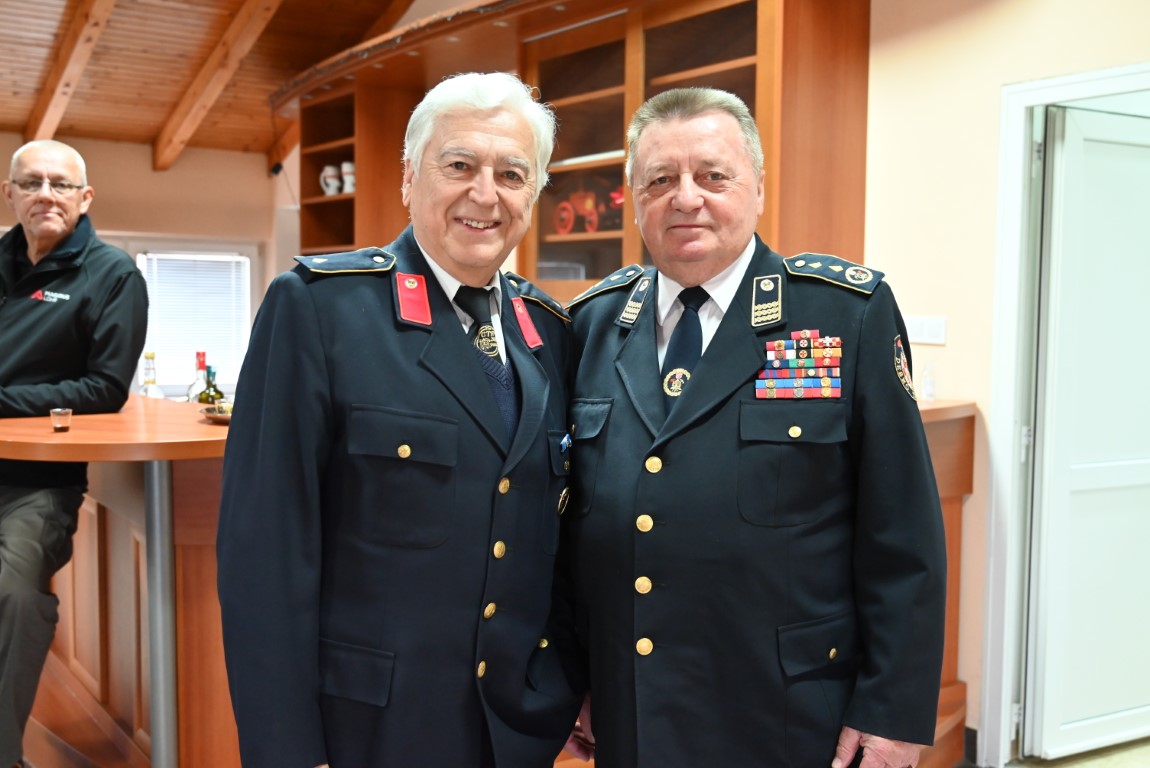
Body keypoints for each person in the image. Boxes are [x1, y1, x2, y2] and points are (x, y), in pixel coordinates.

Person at [563, 87, 947, 768]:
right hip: (635, 706)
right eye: (660, 180)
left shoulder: (844, 316)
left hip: (791, 713)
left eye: (713, 175)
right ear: (635, 199)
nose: (686, 198)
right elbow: (569, 536)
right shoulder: (593, 323)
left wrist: (892, 711)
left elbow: (903, 533)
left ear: (759, 188)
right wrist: (572, 678)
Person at [217, 72, 582, 767]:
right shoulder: (319, 311)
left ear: (533, 194)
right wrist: (287, 750)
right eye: (459, 165)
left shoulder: (549, 333)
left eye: (512, 174)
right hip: (371, 728)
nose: (486, 194)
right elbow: (265, 555)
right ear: (410, 178)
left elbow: (556, 546)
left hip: (516, 729)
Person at [0, 140, 148, 767]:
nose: (46, 195)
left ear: (85, 198)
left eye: (60, 185)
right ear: (10, 193)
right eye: (31, 182)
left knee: (14, 595)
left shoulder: (113, 275)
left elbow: (104, 389)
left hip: (38, 483)